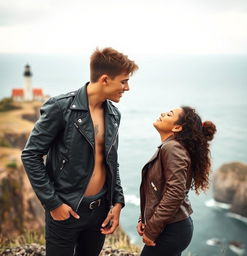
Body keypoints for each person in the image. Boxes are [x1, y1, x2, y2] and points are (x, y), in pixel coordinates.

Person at [21, 47, 138, 256]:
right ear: (104, 79)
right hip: (66, 209)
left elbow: (111, 161)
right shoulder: (60, 107)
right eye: (123, 81)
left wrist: (117, 202)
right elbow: (30, 155)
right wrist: (53, 203)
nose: (127, 88)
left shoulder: (113, 114)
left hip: (100, 211)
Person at [137, 106, 216, 256]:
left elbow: (175, 192)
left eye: (169, 114)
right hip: (172, 226)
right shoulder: (171, 147)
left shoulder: (172, 148)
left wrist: (152, 228)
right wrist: (144, 218)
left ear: (177, 127)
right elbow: (159, 191)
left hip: (171, 230)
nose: (162, 113)